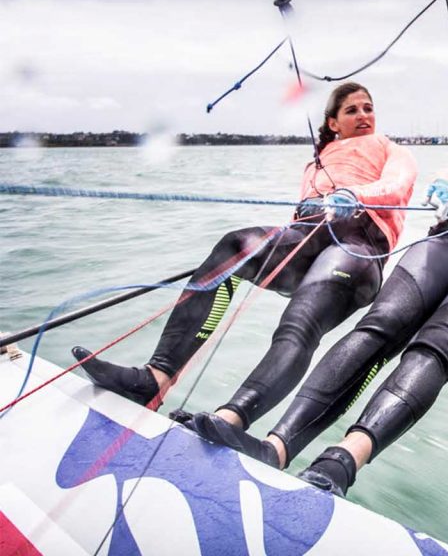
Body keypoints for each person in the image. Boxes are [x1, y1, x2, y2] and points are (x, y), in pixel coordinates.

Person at [191, 106, 448, 496]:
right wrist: (443, 188)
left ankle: (340, 463)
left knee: (435, 348)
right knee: (378, 328)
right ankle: (275, 447)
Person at [72, 82, 417, 432]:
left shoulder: (390, 149)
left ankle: (232, 419)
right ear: (333, 123)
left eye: (368, 108)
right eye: (352, 110)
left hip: (359, 247)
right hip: (306, 238)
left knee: (300, 320)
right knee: (234, 247)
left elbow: (398, 184)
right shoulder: (316, 162)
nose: (363, 115)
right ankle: (155, 380)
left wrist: (354, 194)